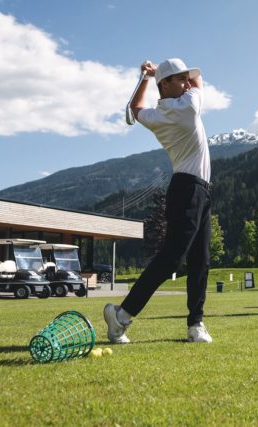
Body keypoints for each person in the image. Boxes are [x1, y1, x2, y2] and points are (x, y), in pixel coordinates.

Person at [103, 58, 213, 343]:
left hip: (197, 189)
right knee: (172, 258)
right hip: (188, 189)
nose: (187, 82)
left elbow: (136, 108)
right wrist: (154, 75)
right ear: (165, 84)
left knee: (201, 261)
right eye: (180, 79)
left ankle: (195, 324)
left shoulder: (157, 115)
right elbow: (200, 82)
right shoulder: (187, 106)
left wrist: (146, 78)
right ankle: (122, 314)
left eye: (186, 79)